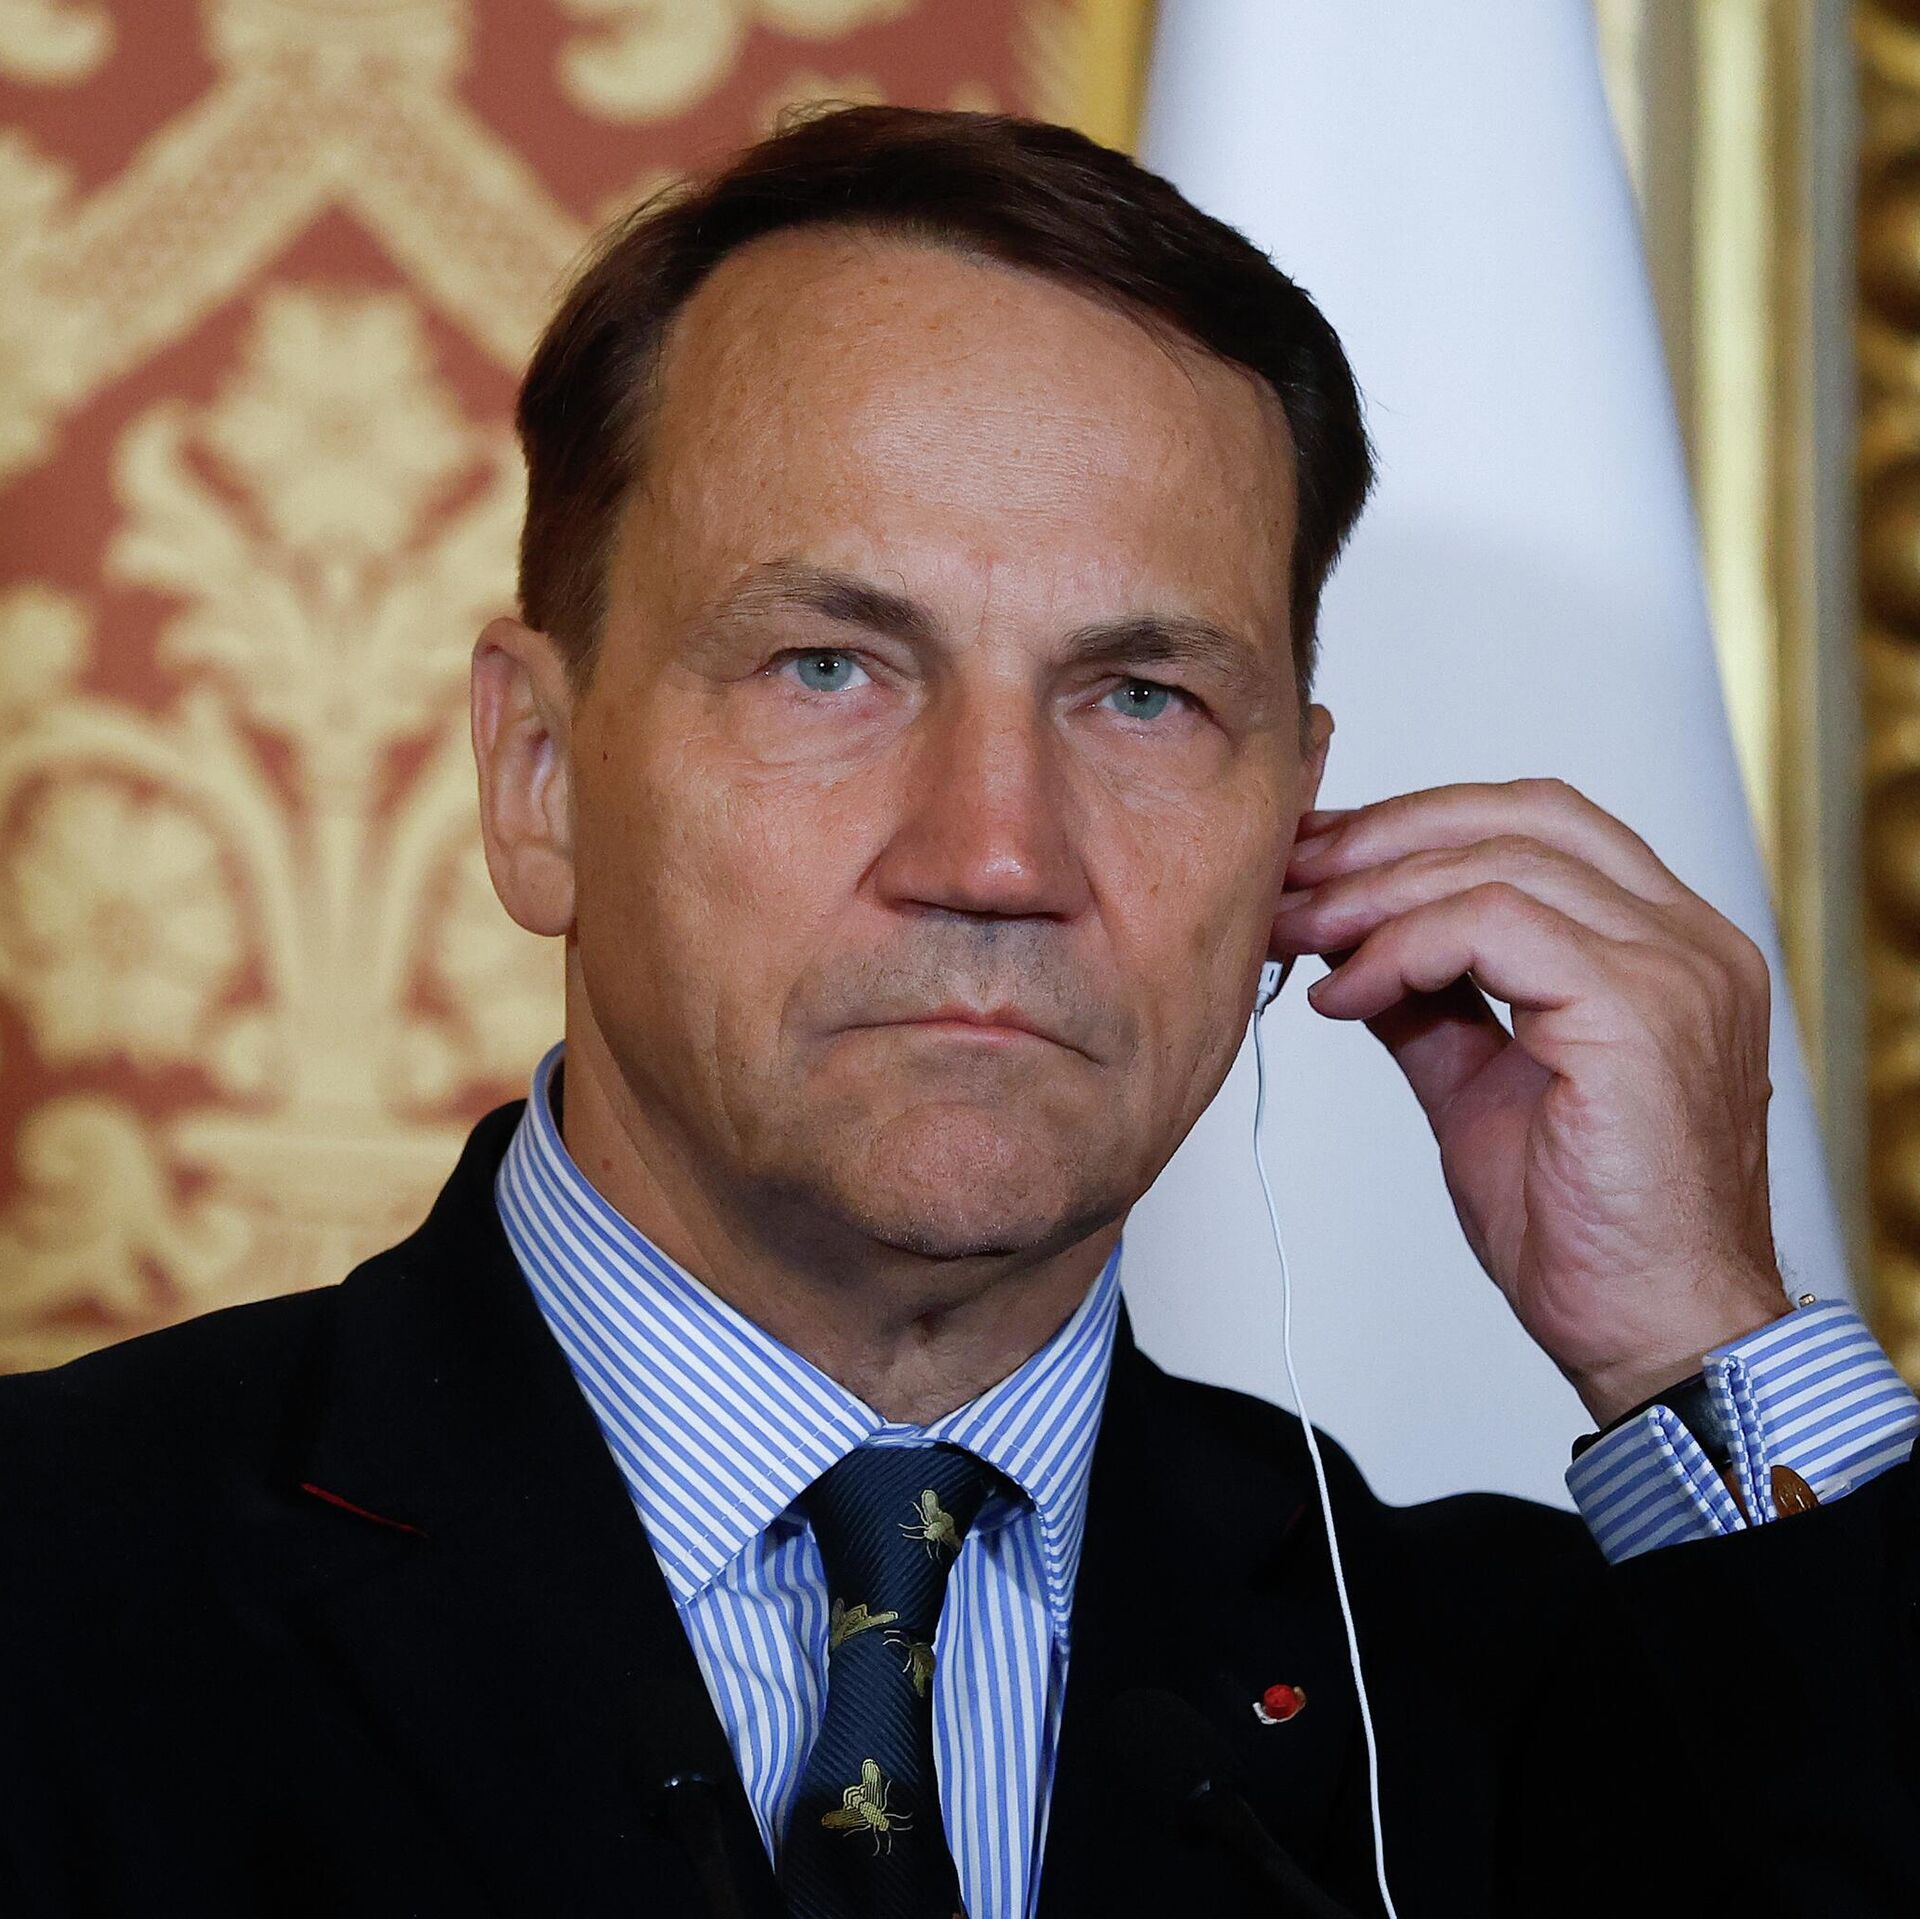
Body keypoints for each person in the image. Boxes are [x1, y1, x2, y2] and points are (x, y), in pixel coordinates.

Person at [3, 104, 1917, 1919]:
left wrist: (1697, 1335)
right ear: (541, 777)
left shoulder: (1546, 1695)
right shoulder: (56, 1580)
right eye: (829, 666)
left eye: (1144, 697)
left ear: (1294, 825)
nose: (998, 853)